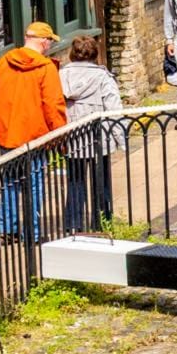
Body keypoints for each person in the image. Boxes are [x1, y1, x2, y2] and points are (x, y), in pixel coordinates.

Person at [0, 22, 65, 240]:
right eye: (50, 41)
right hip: (35, 136)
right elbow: (53, 106)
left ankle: (7, 230)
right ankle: (33, 232)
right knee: (34, 185)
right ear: (43, 41)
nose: (50, 46)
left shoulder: (3, 63)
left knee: (10, 182)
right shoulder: (45, 68)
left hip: (8, 135)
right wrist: (60, 137)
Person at [58, 34, 123, 233]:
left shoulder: (60, 76)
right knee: (101, 181)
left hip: (73, 136)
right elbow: (114, 108)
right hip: (98, 137)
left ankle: (73, 223)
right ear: (95, 54)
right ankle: (102, 220)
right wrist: (121, 138)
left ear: (72, 54)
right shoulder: (103, 77)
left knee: (75, 180)